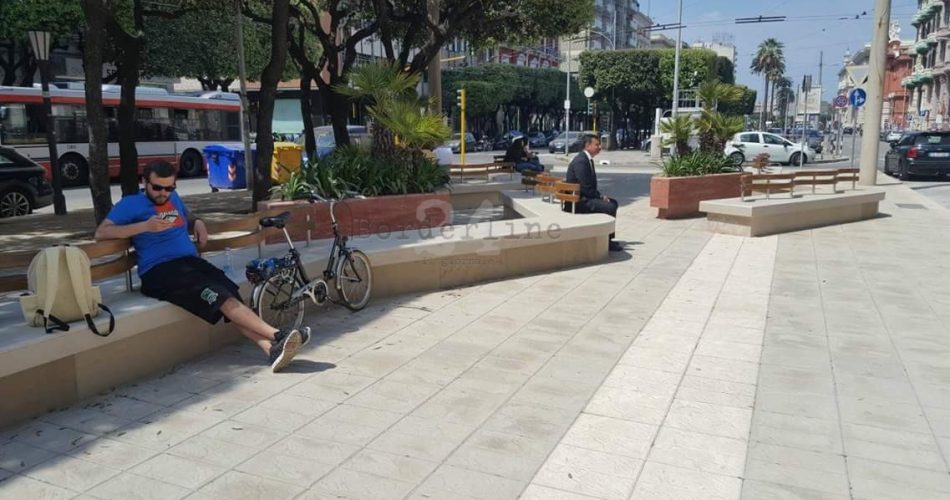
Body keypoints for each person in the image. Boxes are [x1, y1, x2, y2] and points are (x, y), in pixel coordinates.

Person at [94, 161, 305, 372]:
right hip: (160, 271)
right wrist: (144, 226)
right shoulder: (131, 204)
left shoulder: (173, 198)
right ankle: (278, 335)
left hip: (191, 263)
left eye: (169, 188)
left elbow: (187, 216)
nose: (163, 193)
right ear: (144, 182)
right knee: (222, 298)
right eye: (157, 188)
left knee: (230, 295)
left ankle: (271, 350)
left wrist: (197, 222)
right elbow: (101, 232)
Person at [566, 134, 623, 252]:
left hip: (582, 197)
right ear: (587, 146)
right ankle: (607, 241)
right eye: (596, 144)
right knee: (610, 206)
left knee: (613, 203)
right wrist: (600, 197)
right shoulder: (581, 161)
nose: (599, 147)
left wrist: (600, 197)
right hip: (578, 201)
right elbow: (585, 187)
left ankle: (608, 238)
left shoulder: (586, 159)